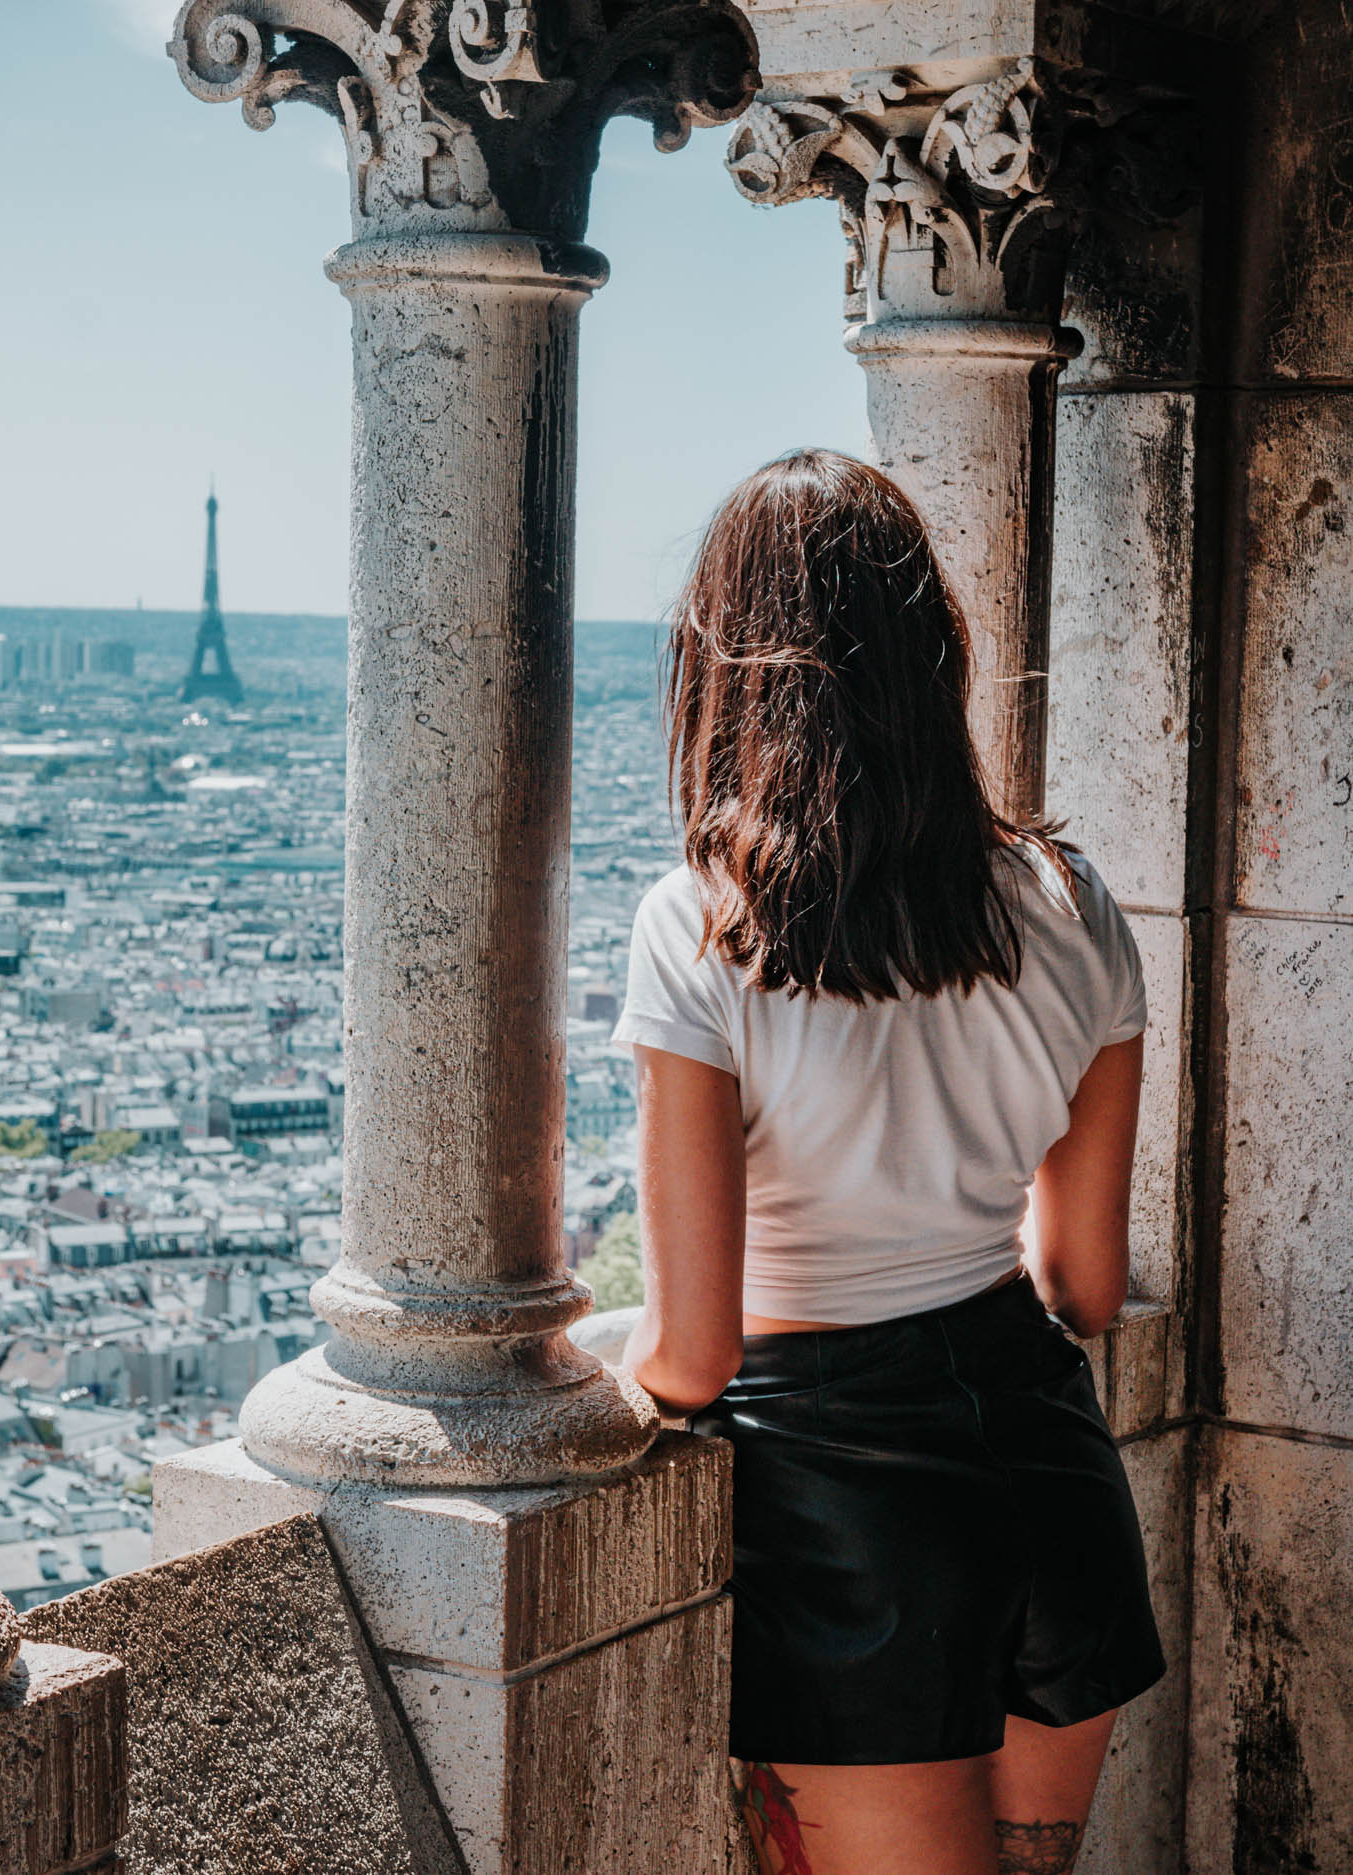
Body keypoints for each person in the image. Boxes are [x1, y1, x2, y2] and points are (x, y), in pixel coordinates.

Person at [611, 450, 1165, 1875]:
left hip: (846, 1515)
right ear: (938, 663)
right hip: (1044, 1465)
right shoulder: (1067, 897)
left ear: (723, 670)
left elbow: (687, 1351)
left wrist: (590, 1393)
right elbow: (1086, 1284)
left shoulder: (704, 928)